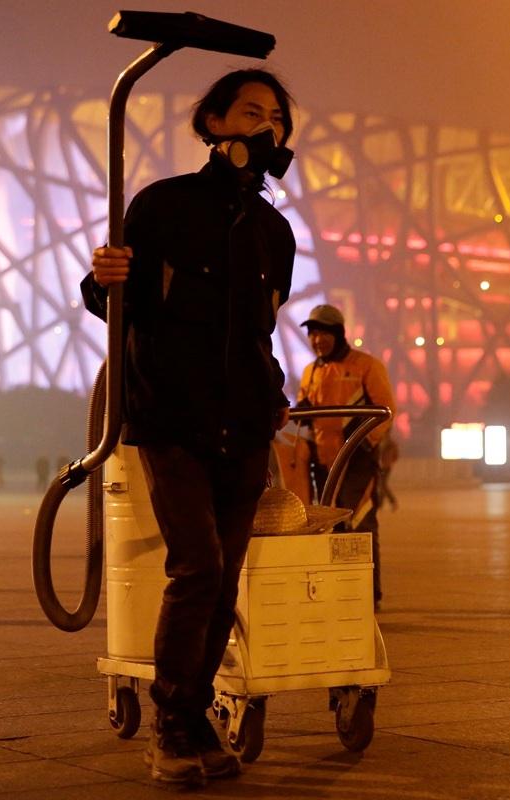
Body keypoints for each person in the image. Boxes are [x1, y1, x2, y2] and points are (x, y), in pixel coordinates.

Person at [82, 68, 296, 787]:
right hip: (172, 419)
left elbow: (261, 331)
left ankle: (194, 714)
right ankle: (173, 722)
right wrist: (100, 278)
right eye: (248, 112)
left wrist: (273, 398)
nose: (262, 128)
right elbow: (115, 302)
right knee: (197, 567)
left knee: (224, 578)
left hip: (246, 425)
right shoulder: (162, 207)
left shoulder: (274, 230)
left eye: (274, 118)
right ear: (212, 123)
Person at [290, 304, 395, 608]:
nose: (317, 340)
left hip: (357, 460)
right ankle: (340, 591)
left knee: (360, 523)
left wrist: (365, 441)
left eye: (324, 333)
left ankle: (368, 595)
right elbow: (304, 412)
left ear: (338, 334)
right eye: (313, 334)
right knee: (330, 527)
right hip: (323, 463)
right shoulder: (312, 371)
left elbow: (386, 410)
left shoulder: (365, 366)